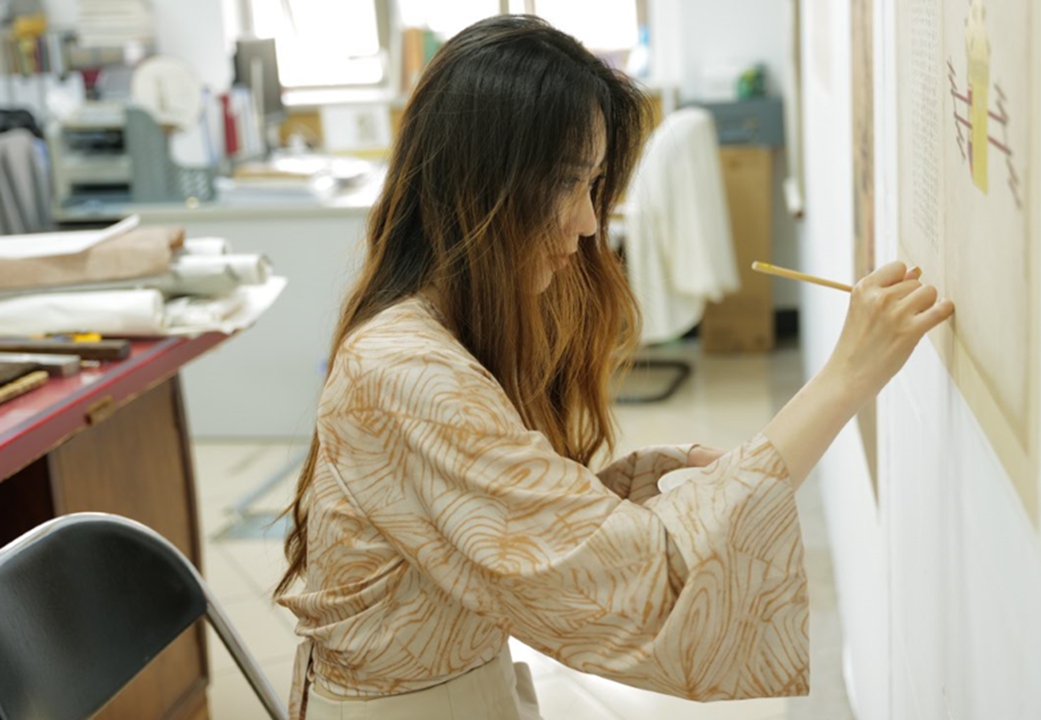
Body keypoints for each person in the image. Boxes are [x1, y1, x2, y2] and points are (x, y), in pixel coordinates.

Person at [275, 15, 954, 720]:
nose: (588, 222)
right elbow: (641, 583)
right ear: (479, 184)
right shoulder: (407, 371)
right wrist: (846, 378)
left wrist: (623, 487)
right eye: (567, 184)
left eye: (594, 185)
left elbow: (483, 523)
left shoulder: (433, 335)